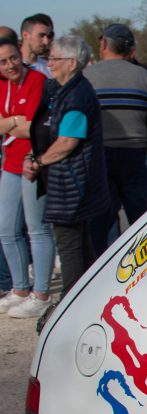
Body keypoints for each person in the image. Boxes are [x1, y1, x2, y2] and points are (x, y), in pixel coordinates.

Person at [23, 35, 109, 295]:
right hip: (71, 182)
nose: (49, 63)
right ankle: (88, 297)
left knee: (70, 247)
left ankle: (69, 302)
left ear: (72, 62)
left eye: (54, 58)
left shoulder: (77, 96)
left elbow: (68, 142)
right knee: (80, 245)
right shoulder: (67, 91)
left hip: (73, 184)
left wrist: (38, 162)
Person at [84, 23, 147, 253]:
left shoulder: (88, 76)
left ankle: (106, 264)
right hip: (136, 151)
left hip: (101, 153)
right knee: (140, 215)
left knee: (103, 217)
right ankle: (146, 262)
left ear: (105, 44)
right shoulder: (143, 76)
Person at [0, 37, 53, 318]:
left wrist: (9, 124)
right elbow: (16, 125)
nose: (9, 65)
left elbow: (34, 127)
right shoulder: (1, 84)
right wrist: (14, 122)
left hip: (33, 161)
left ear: (20, 54)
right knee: (6, 229)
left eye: (12, 58)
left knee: (37, 229)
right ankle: (20, 288)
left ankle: (41, 294)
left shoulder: (37, 80)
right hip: (9, 162)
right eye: (3, 61)